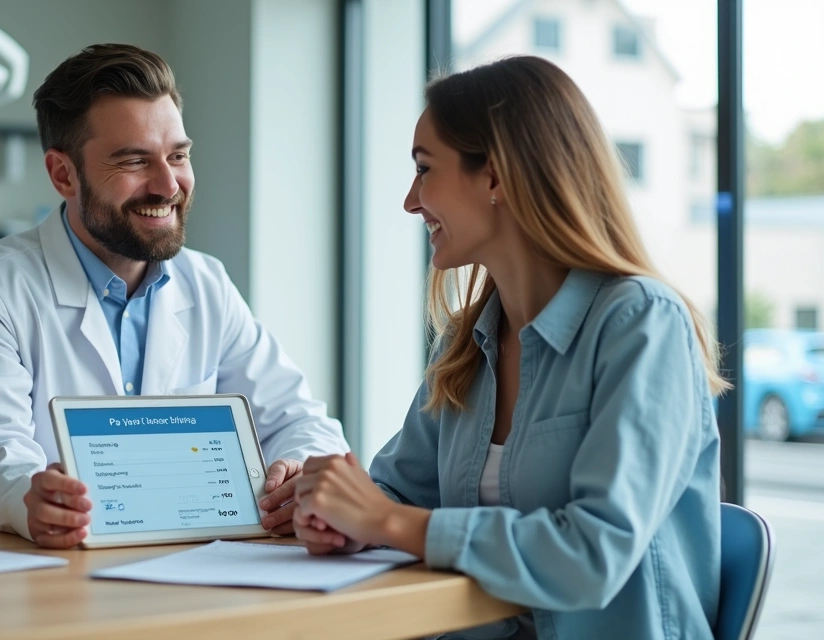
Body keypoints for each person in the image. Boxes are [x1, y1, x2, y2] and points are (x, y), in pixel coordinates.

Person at [292, 56, 728, 639]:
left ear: (495, 177)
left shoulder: (642, 324)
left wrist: (389, 520)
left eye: (425, 170)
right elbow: (398, 492)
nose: (410, 202)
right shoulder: (467, 345)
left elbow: (593, 554)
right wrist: (343, 516)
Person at [0, 43, 349, 548]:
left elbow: (298, 418)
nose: (168, 185)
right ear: (64, 174)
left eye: (178, 156)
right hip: (17, 583)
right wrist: (31, 500)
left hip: (175, 577)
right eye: (134, 160)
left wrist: (297, 472)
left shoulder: (206, 284)